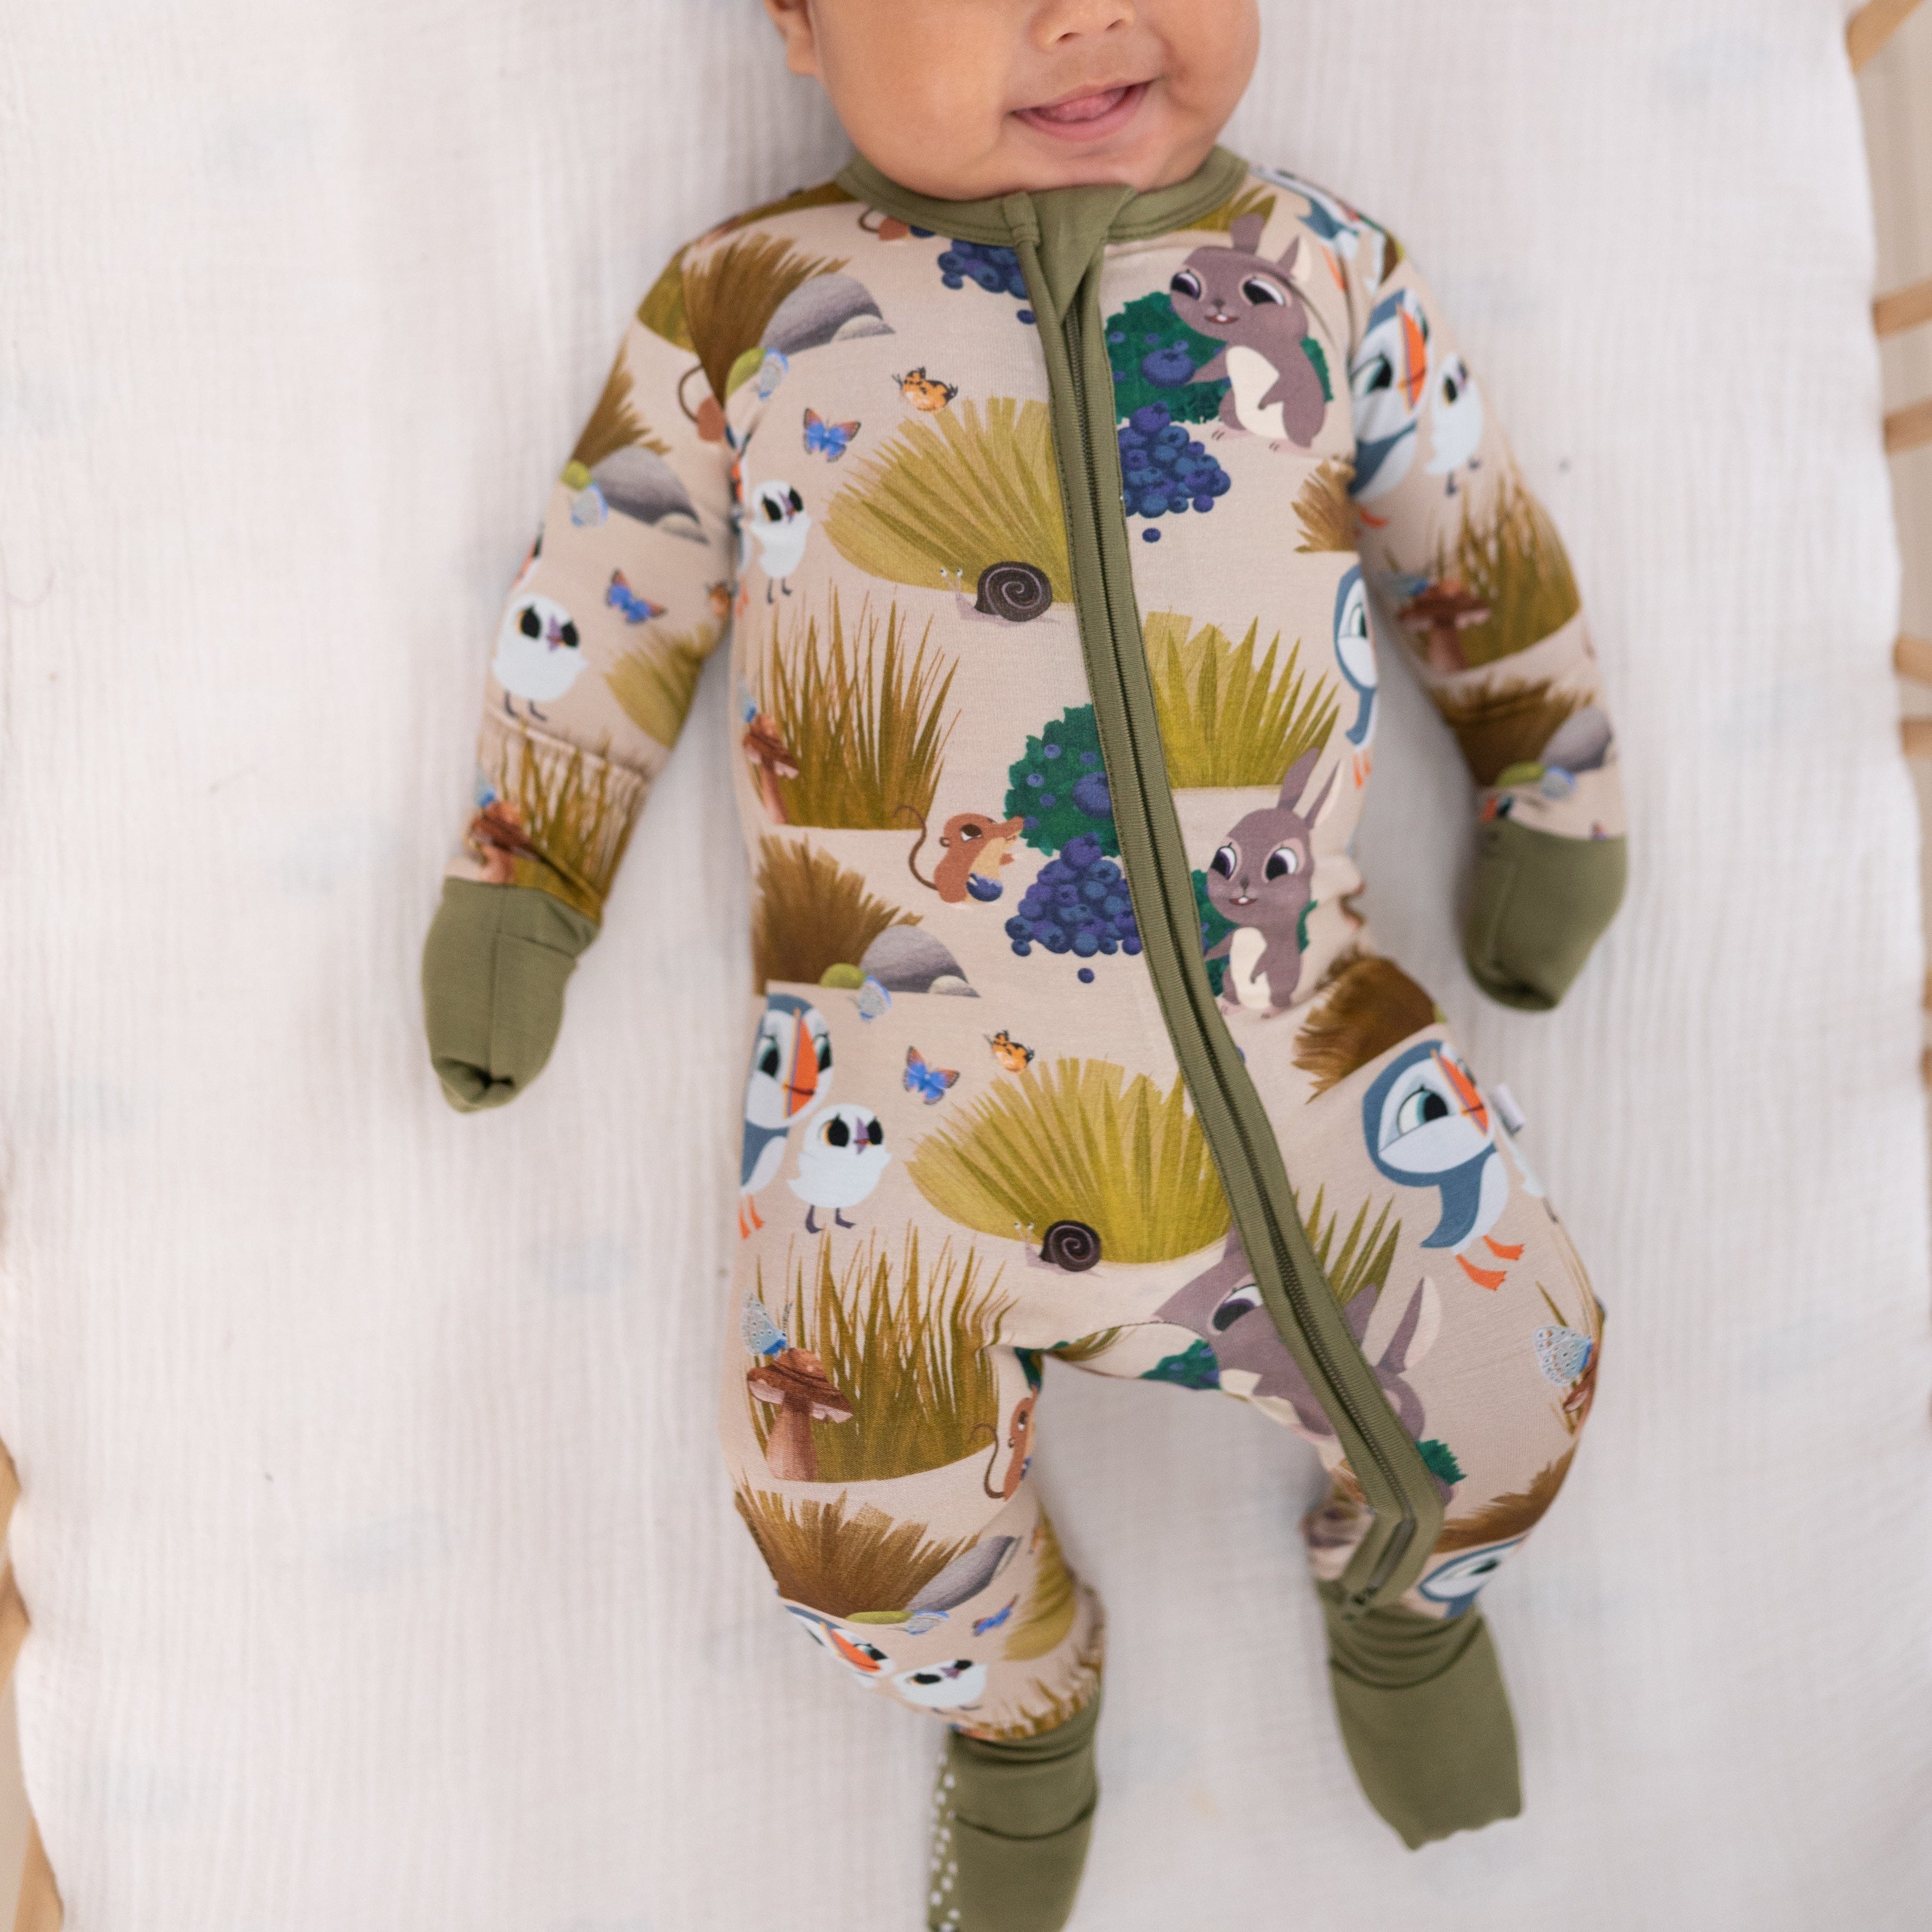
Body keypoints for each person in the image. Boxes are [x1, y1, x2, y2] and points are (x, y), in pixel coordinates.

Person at [420, 3, 1624, 1925]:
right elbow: (609, 585)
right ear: (796, 22)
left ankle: (1405, 1593)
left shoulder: (1322, 270)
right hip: (896, 1115)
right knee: (840, 1526)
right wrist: (527, 873)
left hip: (1301, 1057)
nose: (1083, 18)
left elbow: (1469, 540)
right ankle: (1019, 1696)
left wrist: (1550, 787)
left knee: (1521, 1371)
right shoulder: (745, 303)